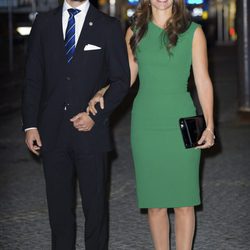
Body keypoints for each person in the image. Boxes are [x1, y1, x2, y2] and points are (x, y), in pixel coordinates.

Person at [87, 0, 215, 249]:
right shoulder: (135, 31)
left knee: (184, 201)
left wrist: (209, 126)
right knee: (155, 204)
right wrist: (102, 92)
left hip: (182, 124)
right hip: (146, 124)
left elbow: (203, 80)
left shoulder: (193, 32)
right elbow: (126, 78)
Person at [21, 0, 130, 249]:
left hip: (91, 134)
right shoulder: (43, 24)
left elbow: (121, 80)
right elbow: (32, 78)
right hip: (51, 133)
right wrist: (30, 125)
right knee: (59, 212)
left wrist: (95, 115)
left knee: (96, 211)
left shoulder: (108, 26)